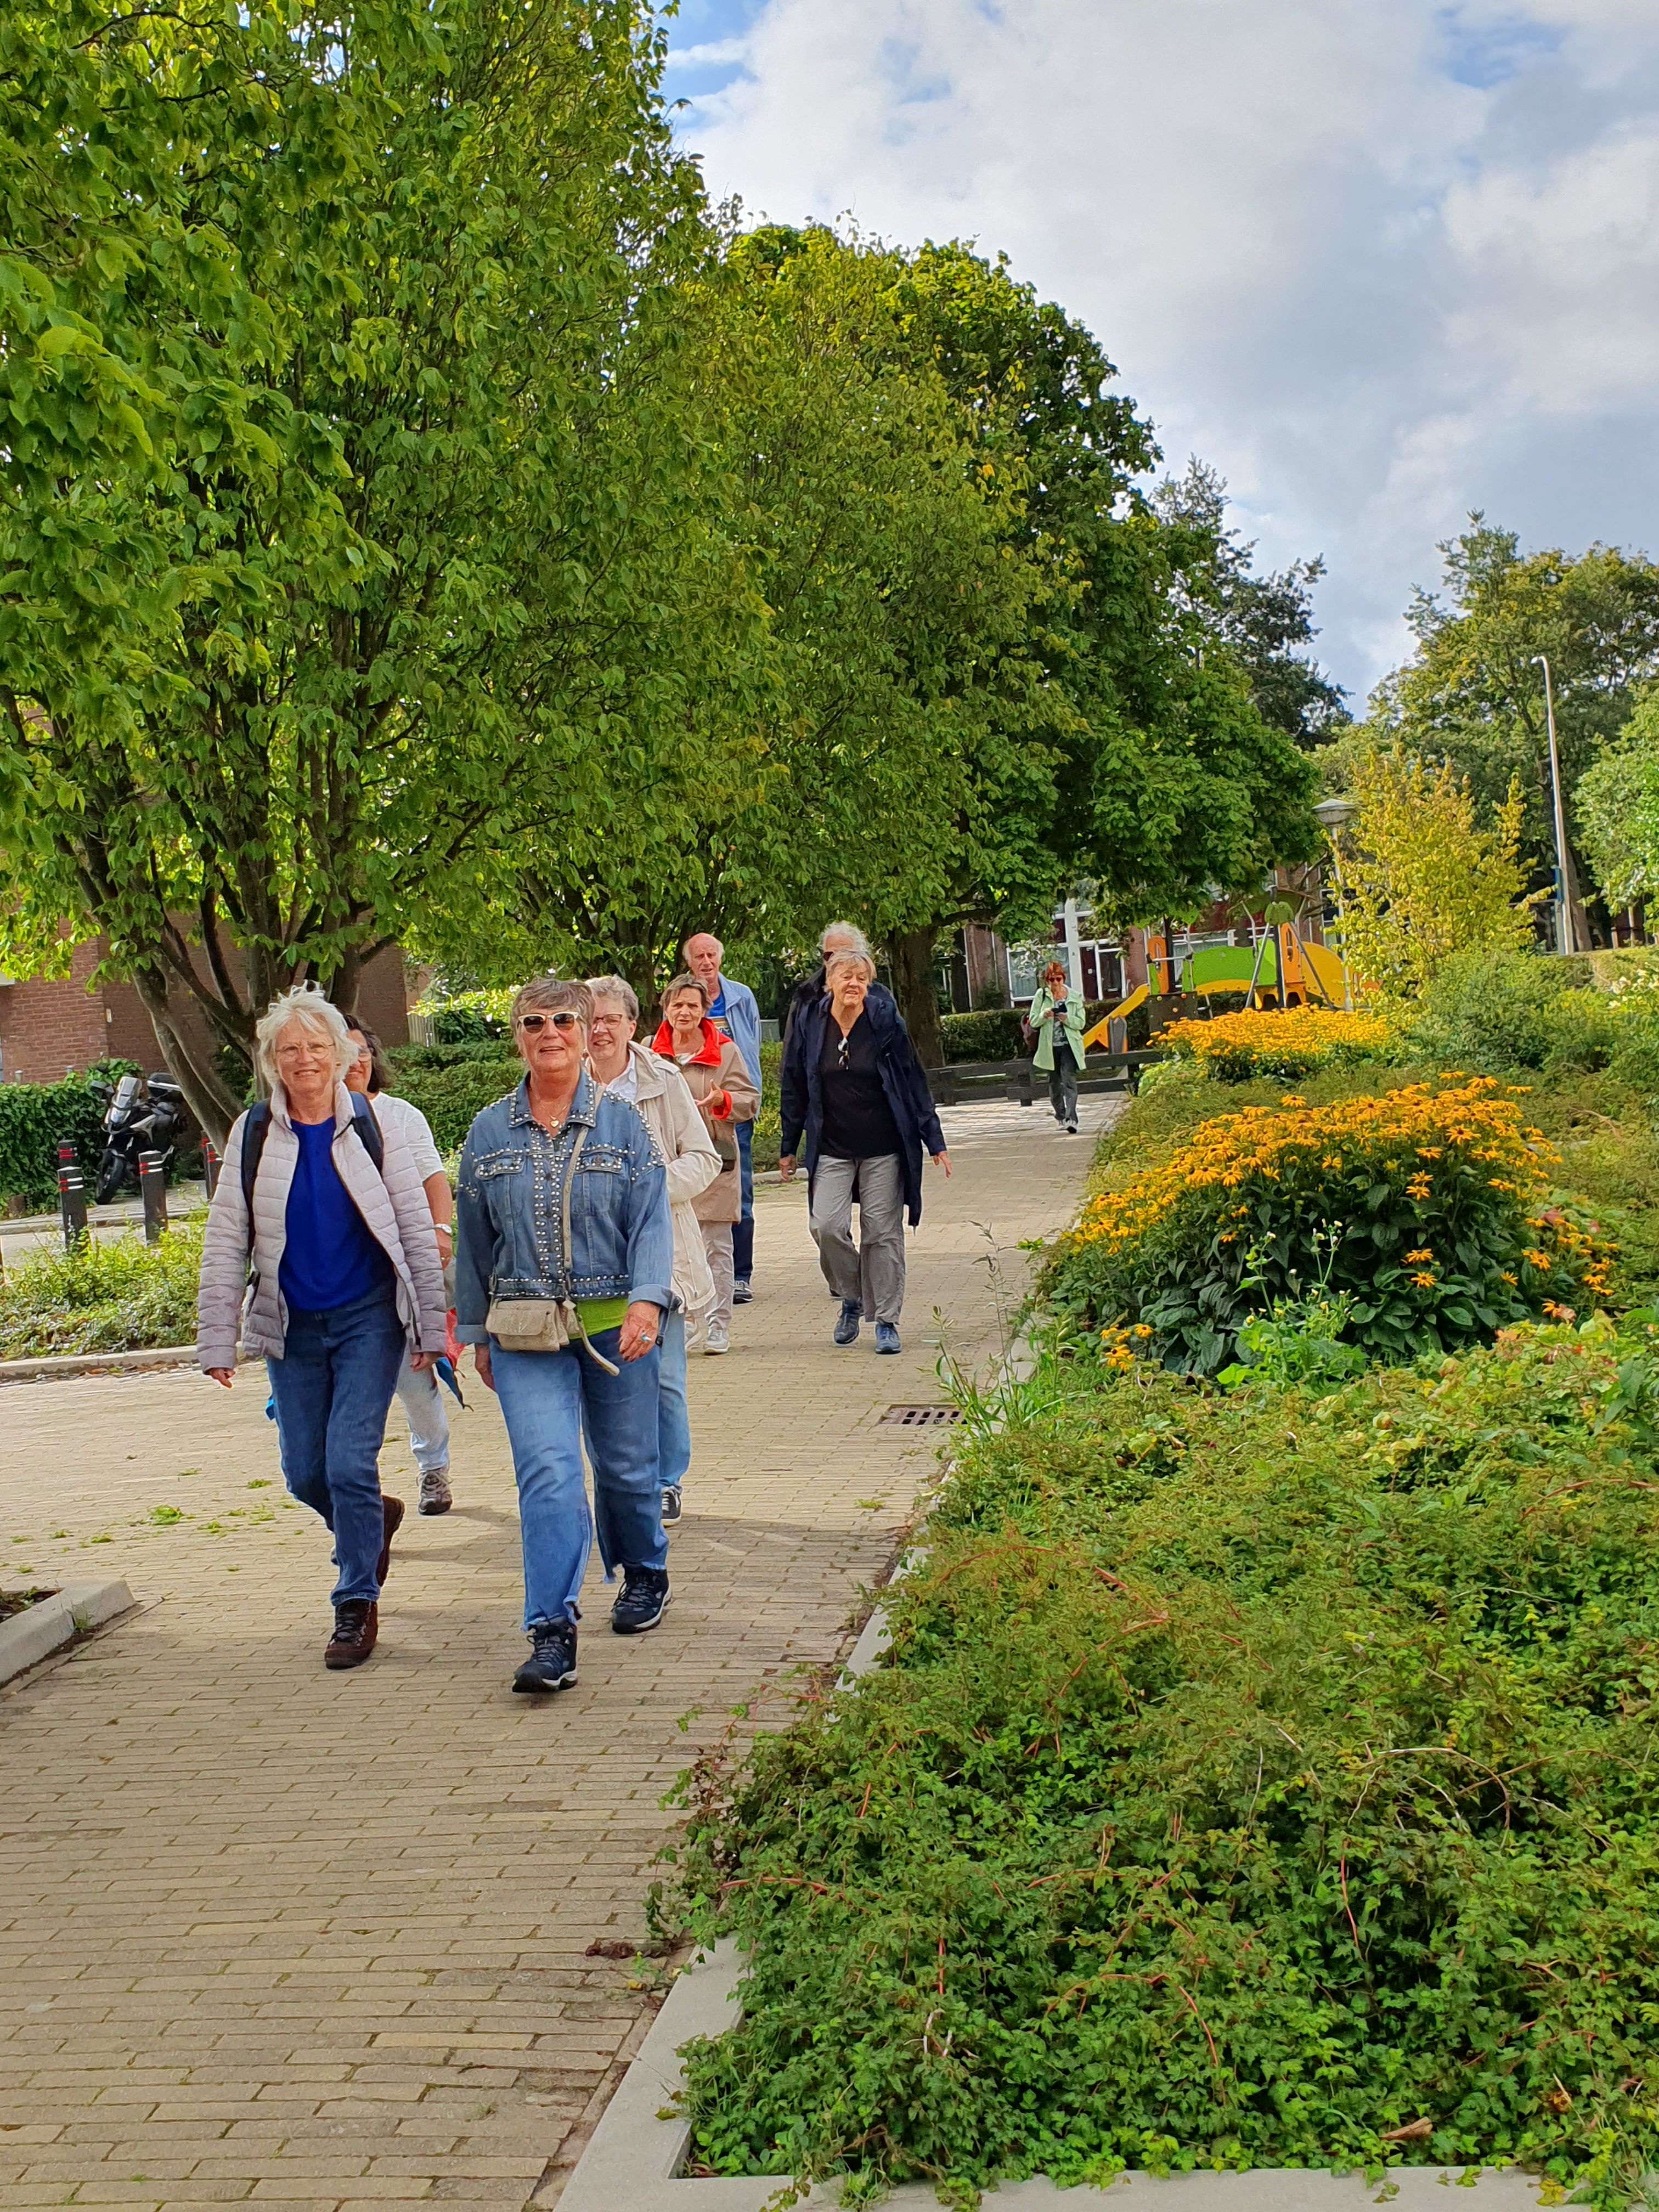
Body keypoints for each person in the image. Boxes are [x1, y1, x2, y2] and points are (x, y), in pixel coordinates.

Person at [196, 985, 447, 1670]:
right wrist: (218, 1336)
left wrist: (430, 1325)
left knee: (347, 1463)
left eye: (317, 1047)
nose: (304, 1059)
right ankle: (374, 1518)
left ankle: (354, 1599)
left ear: (341, 1055)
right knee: (306, 1473)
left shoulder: (374, 1124)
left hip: (369, 1319)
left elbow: (415, 1236)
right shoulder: (252, 1133)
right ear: (272, 1062)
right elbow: (225, 1242)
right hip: (293, 1325)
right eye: (290, 1049)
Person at [454, 978, 674, 1695]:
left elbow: (651, 1223)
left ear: (587, 1033)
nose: (550, 1032)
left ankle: (643, 1569)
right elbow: (474, 1246)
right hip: (524, 1335)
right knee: (548, 1474)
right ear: (518, 1036)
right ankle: (552, 1632)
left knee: (627, 1472)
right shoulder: (488, 1132)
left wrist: (647, 1303)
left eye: (564, 1020)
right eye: (534, 1021)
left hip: (617, 1331)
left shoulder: (623, 1126)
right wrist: (475, 1332)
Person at [584, 976, 719, 1527]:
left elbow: (705, 1158)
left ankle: (666, 1480)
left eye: (611, 1019)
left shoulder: (662, 1081)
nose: (600, 1030)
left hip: (657, 1248)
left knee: (662, 1376)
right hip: (591, 1256)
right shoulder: (563, 1083)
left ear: (631, 1025)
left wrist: (651, 1187)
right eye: (590, 1019)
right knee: (603, 1374)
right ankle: (619, 1480)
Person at [779, 949, 950, 1356]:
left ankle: (887, 1321)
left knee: (882, 1232)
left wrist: (934, 1138)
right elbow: (795, 1082)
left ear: (869, 984)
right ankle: (853, 1297)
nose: (853, 984)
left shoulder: (884, 1019)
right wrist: (788, 1145)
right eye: (845, 977)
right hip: (834, 1147)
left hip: (883, 1146)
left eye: (861, 978)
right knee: (826, 1226)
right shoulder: (811, 1020)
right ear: (829, 983)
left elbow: (912, 1078)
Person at [345, 1020, 459, 1515]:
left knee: (414, 1381)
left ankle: (433, 1467)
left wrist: (441, 1231)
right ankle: (360, 1497)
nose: (358, 1061)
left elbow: (434, 1179)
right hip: (346, 1280)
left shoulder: (401, 1116)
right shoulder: (304, 1124)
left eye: (364, 1051)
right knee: (350, 1397)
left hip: (403, 1272)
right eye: (345, 1054)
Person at [652, 972, 758, 1356]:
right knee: (671, 1249)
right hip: (667, 1166)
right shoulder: (649, 1051)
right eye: (677, 1005)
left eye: (693, 1006)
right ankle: (685, 1322)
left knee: (716, 1248)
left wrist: (722, 1101)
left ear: (705, 1011)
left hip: (714, 1162)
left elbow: (750, 1101)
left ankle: (718, 1324)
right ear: (666, 1008)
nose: (685, 1012)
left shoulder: (725, 1051)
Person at [682, 934, 762, 1304]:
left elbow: (751, 1048)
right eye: (699, 956)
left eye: (712, 954)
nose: (706, 961)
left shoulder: (741, 996)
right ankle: (697, 1277)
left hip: (730, 1111)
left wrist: (746, 1098)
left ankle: (740, 1276)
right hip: (689, 1118)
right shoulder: (683, 1000)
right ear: (690, 962)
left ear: (720, 958)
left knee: (738, 1193)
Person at [1026, 960, 1086, 1134]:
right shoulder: (1042, 996)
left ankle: (1071, 1118)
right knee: (1054, 1084)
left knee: (1069, 1082)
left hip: (1069, 1046)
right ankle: (1060, 1115)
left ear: (1063, 979)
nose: (1055, 983)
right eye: (1052, 980)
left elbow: (1081, 1023)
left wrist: (1067, 1019)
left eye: (1059, 979)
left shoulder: (1074, 996)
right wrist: (1044, 1015)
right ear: (1047, 981)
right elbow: (1034, 1022)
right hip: (1049, 1046)